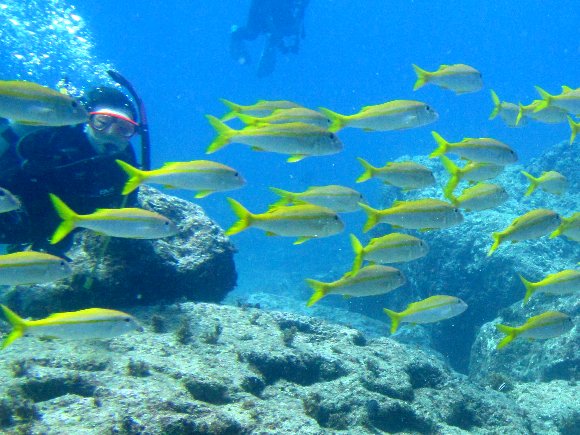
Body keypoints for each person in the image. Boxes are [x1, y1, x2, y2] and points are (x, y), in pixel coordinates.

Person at [0, 86, 140, 254]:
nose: (110, 133)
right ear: (87, 121)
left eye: (124, 128)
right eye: (102, 122)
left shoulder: (127, 168)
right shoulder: (51, 136)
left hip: (42, 235)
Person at [230, 0, 310, 77]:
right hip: (261, 5)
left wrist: (296, 38)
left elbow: (300, 12)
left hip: (280, 6)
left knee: (287, 29)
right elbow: (265, 14)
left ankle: (270, 45)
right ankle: (235, 35)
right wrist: (276, 37)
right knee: (252, 33)